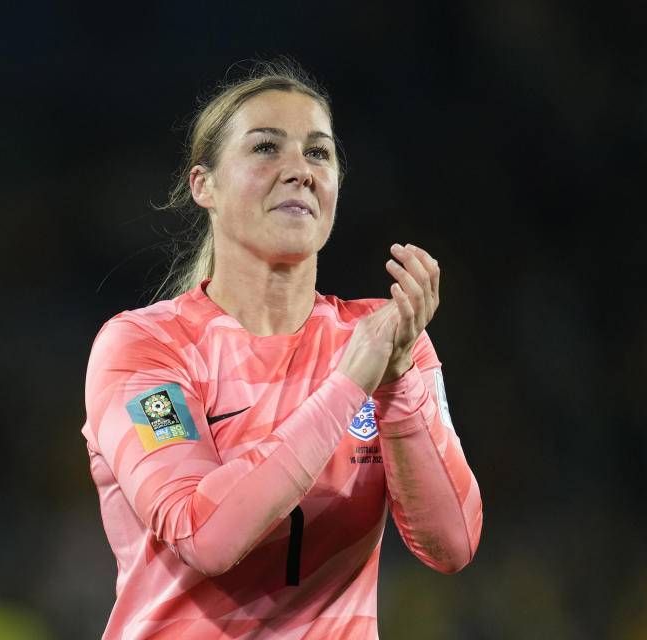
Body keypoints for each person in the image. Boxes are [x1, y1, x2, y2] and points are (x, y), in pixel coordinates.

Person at [82, 60, 483, 640]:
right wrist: (348, 385)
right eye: (266, 148)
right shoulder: (145, 347)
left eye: (318, 153)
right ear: (204, 186)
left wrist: (397, 381)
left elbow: (453, 544)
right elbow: (206, 536)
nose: (299, 170)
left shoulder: (386, 340)